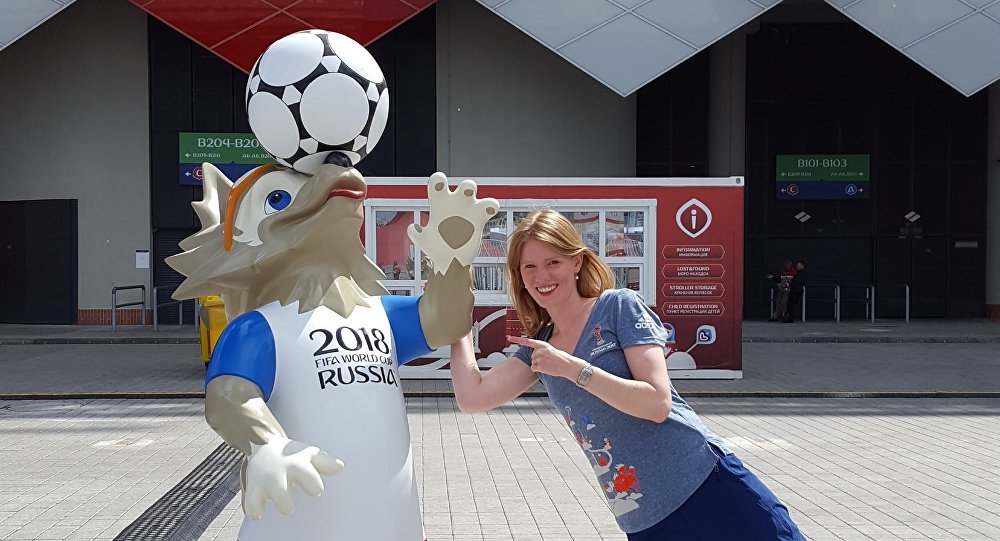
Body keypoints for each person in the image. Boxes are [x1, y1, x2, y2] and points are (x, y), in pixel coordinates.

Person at [448, 210, 805, 540]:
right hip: (644, 516)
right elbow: (472, 397)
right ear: (519, 276)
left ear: (577, 261)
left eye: (553, 262)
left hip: (705, 482)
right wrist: (457, 324)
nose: (542, 277)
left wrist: (575, 369)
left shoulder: (617, 307)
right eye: (530, 267)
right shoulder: (538, 349)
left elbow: (657, 403)